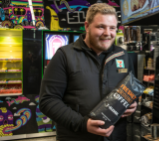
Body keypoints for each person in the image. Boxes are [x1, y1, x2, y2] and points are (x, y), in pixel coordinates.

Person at [39, 3, 137, 141]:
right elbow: (48, 101)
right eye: (101, 27)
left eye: (112, 28)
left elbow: (130, 91)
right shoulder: (64, 56)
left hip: (116, 137)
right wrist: (83, 124)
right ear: (87, 26)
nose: (107, 33)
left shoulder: (123, 55)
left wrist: (132, 104)